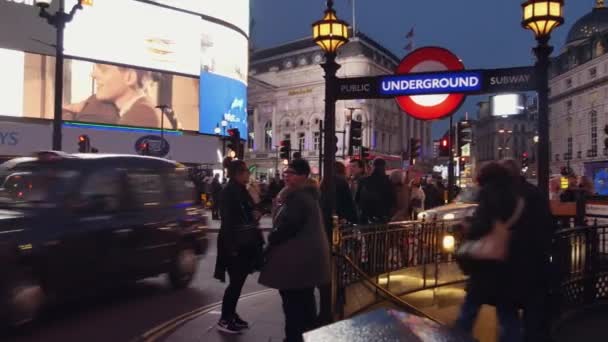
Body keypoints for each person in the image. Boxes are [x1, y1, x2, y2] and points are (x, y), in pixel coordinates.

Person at [259, 159, 330, 342]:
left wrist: (272, 237)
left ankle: (294, 338)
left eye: (291, 173)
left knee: (293, 304)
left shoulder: (299, 197)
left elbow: (287, 226)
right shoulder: (301, 195)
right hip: (303, 259)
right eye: (285, 173)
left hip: (297, 261)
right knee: (304, 301)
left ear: (303, 176)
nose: (286, 176)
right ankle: (305, 335)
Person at [455, 162, 523, 342]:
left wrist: (469, 227)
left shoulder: (488, 194)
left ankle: (457, 338)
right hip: (507, 258)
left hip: (486, 261)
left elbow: (483, 224)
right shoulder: (515, 195)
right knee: (507, 310)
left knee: (470, 307)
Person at [501, 159, 554, 342]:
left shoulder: (505, 197)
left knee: (508, 312)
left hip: (512, 262)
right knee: (534, 310)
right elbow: (548, 224)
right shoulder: (535, 193)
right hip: (536, 261)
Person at [213, 160, 263, 334]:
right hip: (235, 243)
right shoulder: (229, 192)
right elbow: (228, 220)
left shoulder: (242, 190)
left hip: (245, 242)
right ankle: (225, 319)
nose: (249, 175)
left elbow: (250, 212)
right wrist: (231, 247)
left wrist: (255, 206)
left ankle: (232, 314)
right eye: (246, 172)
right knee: (235, 283)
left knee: (239, 282)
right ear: (238, 173)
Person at [355, 158, 395, 223]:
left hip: (366, 216)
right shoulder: (388, 182)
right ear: (384, 167)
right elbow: (392, 200)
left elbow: (357, 198)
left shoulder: (364, 180)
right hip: (382, 217)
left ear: (373, 166)